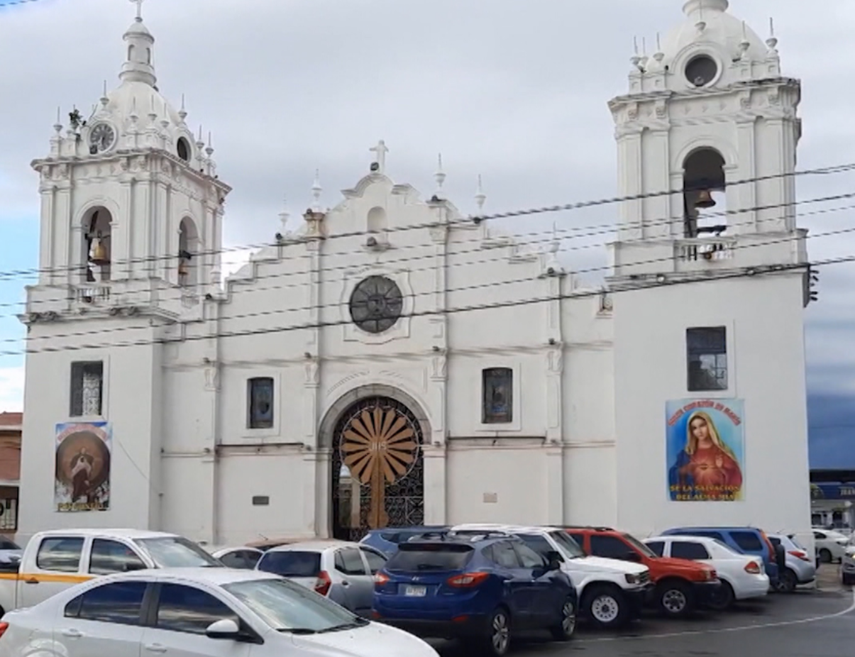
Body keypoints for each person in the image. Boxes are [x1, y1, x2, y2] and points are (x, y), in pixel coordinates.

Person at [669, 411, 743, 500]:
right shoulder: (687, 453)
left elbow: (736, 479)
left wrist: (721, 469)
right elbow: (674, 473)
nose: (699, 431)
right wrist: (686, 469)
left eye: (702, 425)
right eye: (694, 428)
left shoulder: (723, 451)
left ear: (709, 425)